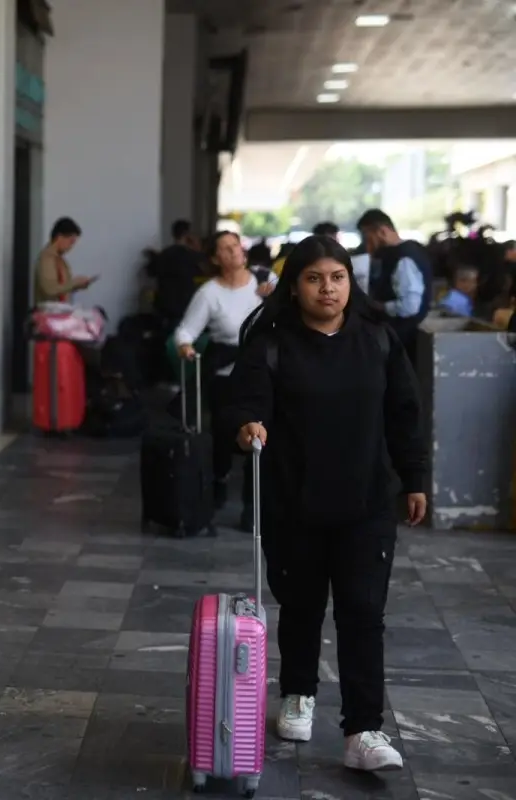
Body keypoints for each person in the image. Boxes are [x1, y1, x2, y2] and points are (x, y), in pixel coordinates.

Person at [222, 234, 426, 773]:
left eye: (336, 277)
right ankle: (297, 693)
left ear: (349, 282)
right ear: (294, 287)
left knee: (363, 613)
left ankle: (364, 729)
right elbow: (244, 405)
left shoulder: (378, 338)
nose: (327, 288)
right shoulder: (270, 344)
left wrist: (415, 478)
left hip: (368, 503)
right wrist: (247, 429)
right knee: (302, 604)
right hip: (296, 501)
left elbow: (404, 414)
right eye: (314, 278)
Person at [174, 230, 277, 511]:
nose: (235, 252)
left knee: (263, 434)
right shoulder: (210, 293)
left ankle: (251, 502)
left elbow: (293, 315)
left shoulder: (265, 281)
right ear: (215, 258)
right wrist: (185, 346)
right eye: (226, 249)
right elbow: (186, 330)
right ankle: (218, 483)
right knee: (225, 434)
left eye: (236, 246)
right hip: (226, 375)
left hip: (263, 373)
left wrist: (275, 301)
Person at [357, 208, 433, 359]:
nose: (367, 243)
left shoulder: (404, 258)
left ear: (382, 231)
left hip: (402, 337)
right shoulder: (400, 253)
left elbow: (410, 306)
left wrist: (380, 306)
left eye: (368, 236)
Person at [149, 218, 206, 327]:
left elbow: (152, 272)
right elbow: (204, 270)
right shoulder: (191, 256)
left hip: (163, 304)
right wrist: (197, 246)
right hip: (183, 306)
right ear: (188, 234)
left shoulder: (164, 254)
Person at [34, 217, 95, 304]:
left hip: (62, 310)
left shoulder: (61, 261)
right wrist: (74, 283)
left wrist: (77, 286)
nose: (71, 247)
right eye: (71, 242)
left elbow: (63, 288)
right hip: (49, 313)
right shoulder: (47, 258)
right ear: (59, 237)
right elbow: (50, 290)